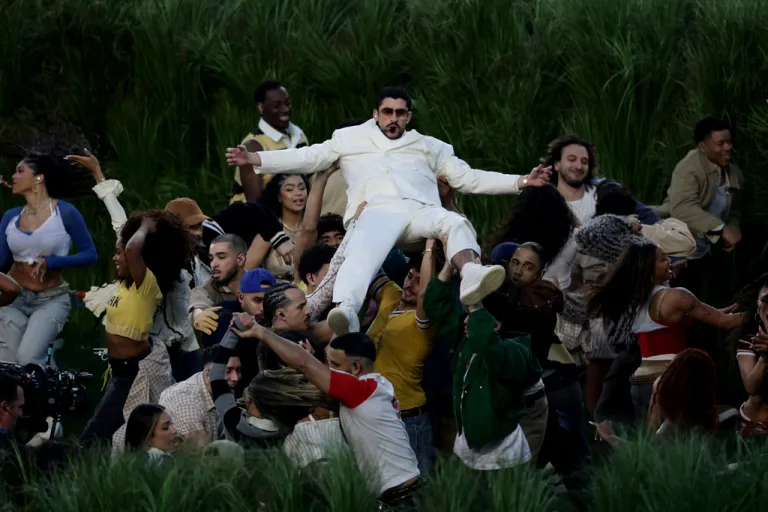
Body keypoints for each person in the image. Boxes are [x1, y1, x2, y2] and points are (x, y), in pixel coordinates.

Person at [226, 86, 553, 336]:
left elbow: (468, 178)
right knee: (362, 250)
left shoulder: (430, 146)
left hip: (420, 210)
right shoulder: (349, 138)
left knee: (454, 223)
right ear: (375, 114)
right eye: (387, 112)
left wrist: (522, 181)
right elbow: (308, 157)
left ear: (408, 116)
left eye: (400, 113)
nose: (393, 118)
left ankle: (471, 274)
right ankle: (347, 308)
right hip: (377, 211)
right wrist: (255, 159)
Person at [231, 317, 422, 509]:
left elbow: (304, 363)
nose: (330, 371)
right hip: (407, 492)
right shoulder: (378, 385)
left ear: (356, 367)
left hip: (402, 499)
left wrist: (261, 332)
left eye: (335, 366)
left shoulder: (359, 391)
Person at [586, 240, 745, 419]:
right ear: (649, 268)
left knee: (651, 435)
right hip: (671, 379)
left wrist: (718, 313)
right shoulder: (677, 296)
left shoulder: (633, 299)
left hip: (640, 382)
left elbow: (707, 314)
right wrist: (759, 310)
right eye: (663, 259)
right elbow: (726, 322)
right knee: (684, 432)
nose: (669, 261)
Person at [81, 210, 194, 446]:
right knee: (115, 432)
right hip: (119, 369)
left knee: (97, 434)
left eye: (119, 253)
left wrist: (144, 227)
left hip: (135, 371)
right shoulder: (125, 285)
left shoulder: (146, 285)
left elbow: (133, 249)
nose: (115, 258)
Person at [423, 258, 541, 471]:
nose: (465, 321)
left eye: (472, 315)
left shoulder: (517, 351)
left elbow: (489, 347)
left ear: (496, 325)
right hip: (467, 450)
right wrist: (450, 265)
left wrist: (474, 300)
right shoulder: (467, 338)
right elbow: (436, 306)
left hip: (503, 460)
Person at [0, 150, 98, 365]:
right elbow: (1, 263)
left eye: (20, 171)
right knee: (8, 365)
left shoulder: (65, 212)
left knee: (28, 359)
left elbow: (90, 254)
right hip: (14, 300)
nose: (13, 176)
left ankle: (49, 378)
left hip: (50, 300)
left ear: (38, 178)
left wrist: (54, 261)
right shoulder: (10, 216)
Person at [366, 240, 437, 473]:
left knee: (415, 490)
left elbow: (426, 295)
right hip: (372, 416)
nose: (410, 284)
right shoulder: (392, 296)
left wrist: (430, 246)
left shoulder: (424, 322)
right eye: (409, 276)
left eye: (419, 281)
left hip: (407, 421)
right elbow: (366, 267)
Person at [657, 116, 743, 257]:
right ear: (702, 146)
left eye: (729, 142)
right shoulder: (689, 167)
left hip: (704, 250)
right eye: (721, 143)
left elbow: (734, 211)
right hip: (673, 247)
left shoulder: (734, 174)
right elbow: (683, 209)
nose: (728, 147)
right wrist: (721, 229)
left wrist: (732, 229)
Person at [542, 135, 659, 226]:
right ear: (556, 164)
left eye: (584, 162)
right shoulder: (545, 199)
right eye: (571, 159)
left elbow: (651, 218)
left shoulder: (606, 192)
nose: (578, 166)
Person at [231, 80, 309, 204]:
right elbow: (254, 202)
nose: (285, 109)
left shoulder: (298, 135)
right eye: (277, 106)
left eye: (287, 103)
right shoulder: (253, 145)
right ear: (261, 107)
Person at [188, 234, 247, 336]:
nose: (213, 264)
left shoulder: (262, 282)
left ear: (240, 259)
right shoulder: (204, 290)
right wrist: (197, 316)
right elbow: (198, 305)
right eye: (211, 258)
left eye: (221, 257)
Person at [734, 274, 768, 439]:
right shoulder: (749, 340)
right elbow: (751, 387)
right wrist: (765, 357)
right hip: (751, 421)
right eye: (764, 300)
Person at [259, 173, 310, 280]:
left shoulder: (314, 228)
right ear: (278, 197)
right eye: (289, 189)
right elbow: (247, 269)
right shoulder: (270, 231)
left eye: (302, 188)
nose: (298, 193)